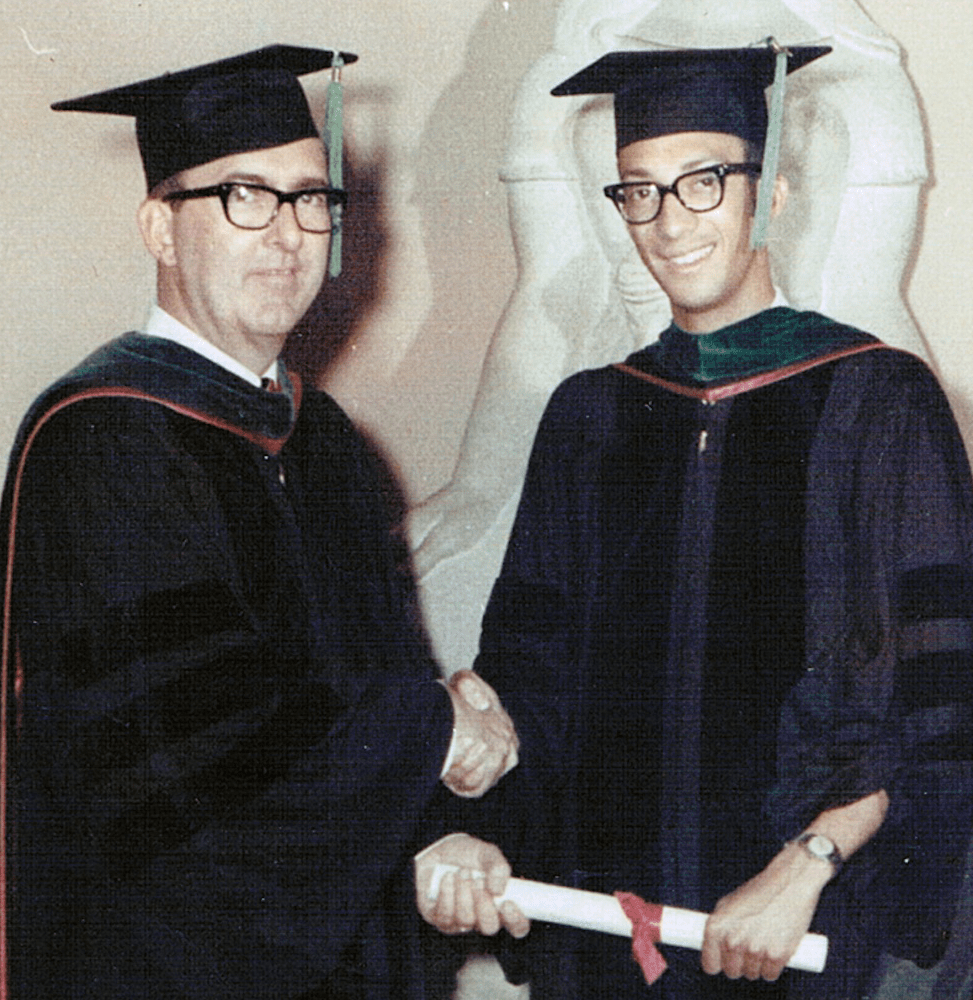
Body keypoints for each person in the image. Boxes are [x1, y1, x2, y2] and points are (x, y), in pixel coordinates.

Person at [416, 43, 973, 999]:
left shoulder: (878, 401)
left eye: (705, 182)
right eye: (640, 191)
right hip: (614, 925)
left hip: (807, 927)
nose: (670, 222)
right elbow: (530, 671)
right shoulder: (590, 416)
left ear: (775, 194)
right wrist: (468, 819)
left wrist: (808, 863)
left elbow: (946, 696)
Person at [0, 44, 518, 1000]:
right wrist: (433, 729)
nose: (286, 235)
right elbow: (191, 757)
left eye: (311, 198)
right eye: (242, 196)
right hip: (162, 966)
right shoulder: (106, 438)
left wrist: (436, 821)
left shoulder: (323, 440)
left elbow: (377, 671)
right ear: (158, 225)